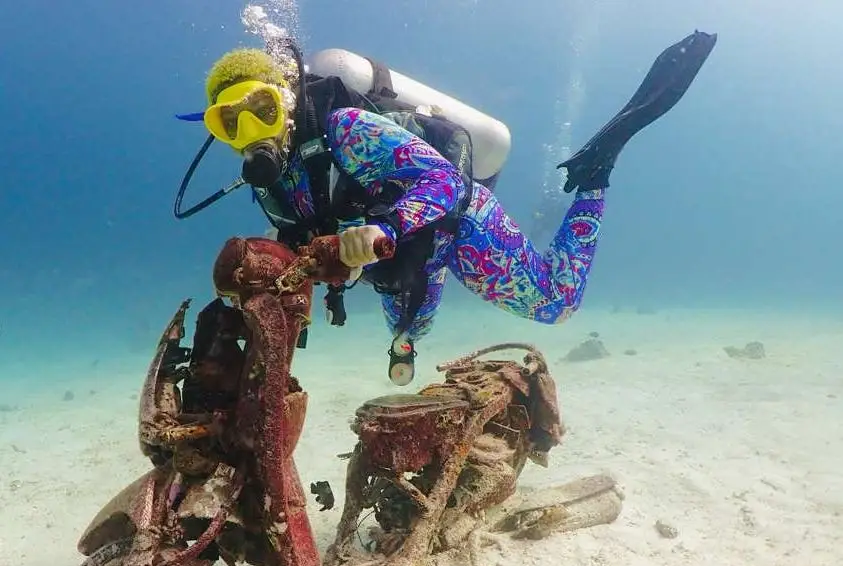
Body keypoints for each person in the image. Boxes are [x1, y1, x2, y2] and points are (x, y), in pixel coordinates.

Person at [186, 30, 717, 385]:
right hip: (402, 264)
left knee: (558, 303)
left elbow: (444, 182)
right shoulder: (269, 187)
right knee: (408, 330)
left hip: (458, 225)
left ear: (285, 99)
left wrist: (383, 229)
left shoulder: (345, 131)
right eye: (229, 123)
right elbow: (305, 245)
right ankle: (406, 346)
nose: (251, 133)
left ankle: (597, 170)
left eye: (261, 109)